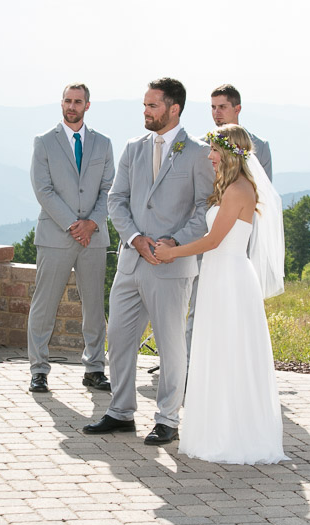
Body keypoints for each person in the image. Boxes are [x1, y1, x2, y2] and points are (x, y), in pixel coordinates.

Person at [83, 78, 214, 446]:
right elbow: (116, 200)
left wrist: (175, 241)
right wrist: (135, 238)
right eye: (144, 105)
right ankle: (120, 412)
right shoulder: (133, 147)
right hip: (131, 261)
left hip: (172, 265)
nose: (145, 112)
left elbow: (205, 207)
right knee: (119, 340)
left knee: (172, 346)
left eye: (152, 106)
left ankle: (168, 419)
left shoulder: (200, 153)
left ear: (174, 109)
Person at [155, 124, 288, 464]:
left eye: (215, 150)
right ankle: (215, 427)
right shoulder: (228, 186)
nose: (210, 156)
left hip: (230, 278)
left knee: (230, 353)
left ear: (230, 153)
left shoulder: (238, 190)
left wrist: (173, 252)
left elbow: (213, 241)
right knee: (216, 351)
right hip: (217, 275)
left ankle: (233, 435)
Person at [27, 83, 115, 393]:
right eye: (67, 100)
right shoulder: (44, 142)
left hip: (93, 237)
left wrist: (91, 223)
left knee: (94, 306)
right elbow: (43, 189)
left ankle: (94, 368)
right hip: (55, 236)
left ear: (87, 105)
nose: (72, 106)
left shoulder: (103, 144)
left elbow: (109, 189)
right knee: (44, 305)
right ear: (61, 103)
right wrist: (72, 224)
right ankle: (38, 370)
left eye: (78, 101)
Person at [185, 84, 274, 358]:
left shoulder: (259, 148)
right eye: (212, 107)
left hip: (234, 243)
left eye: (222, 107)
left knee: (234, 313)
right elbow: (196, 194)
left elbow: (262, 196)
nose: (216, 113)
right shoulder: (199, 146)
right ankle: (193, 366)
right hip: (203, 235)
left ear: (237, 108)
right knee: (198, 310)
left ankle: (231, 369)